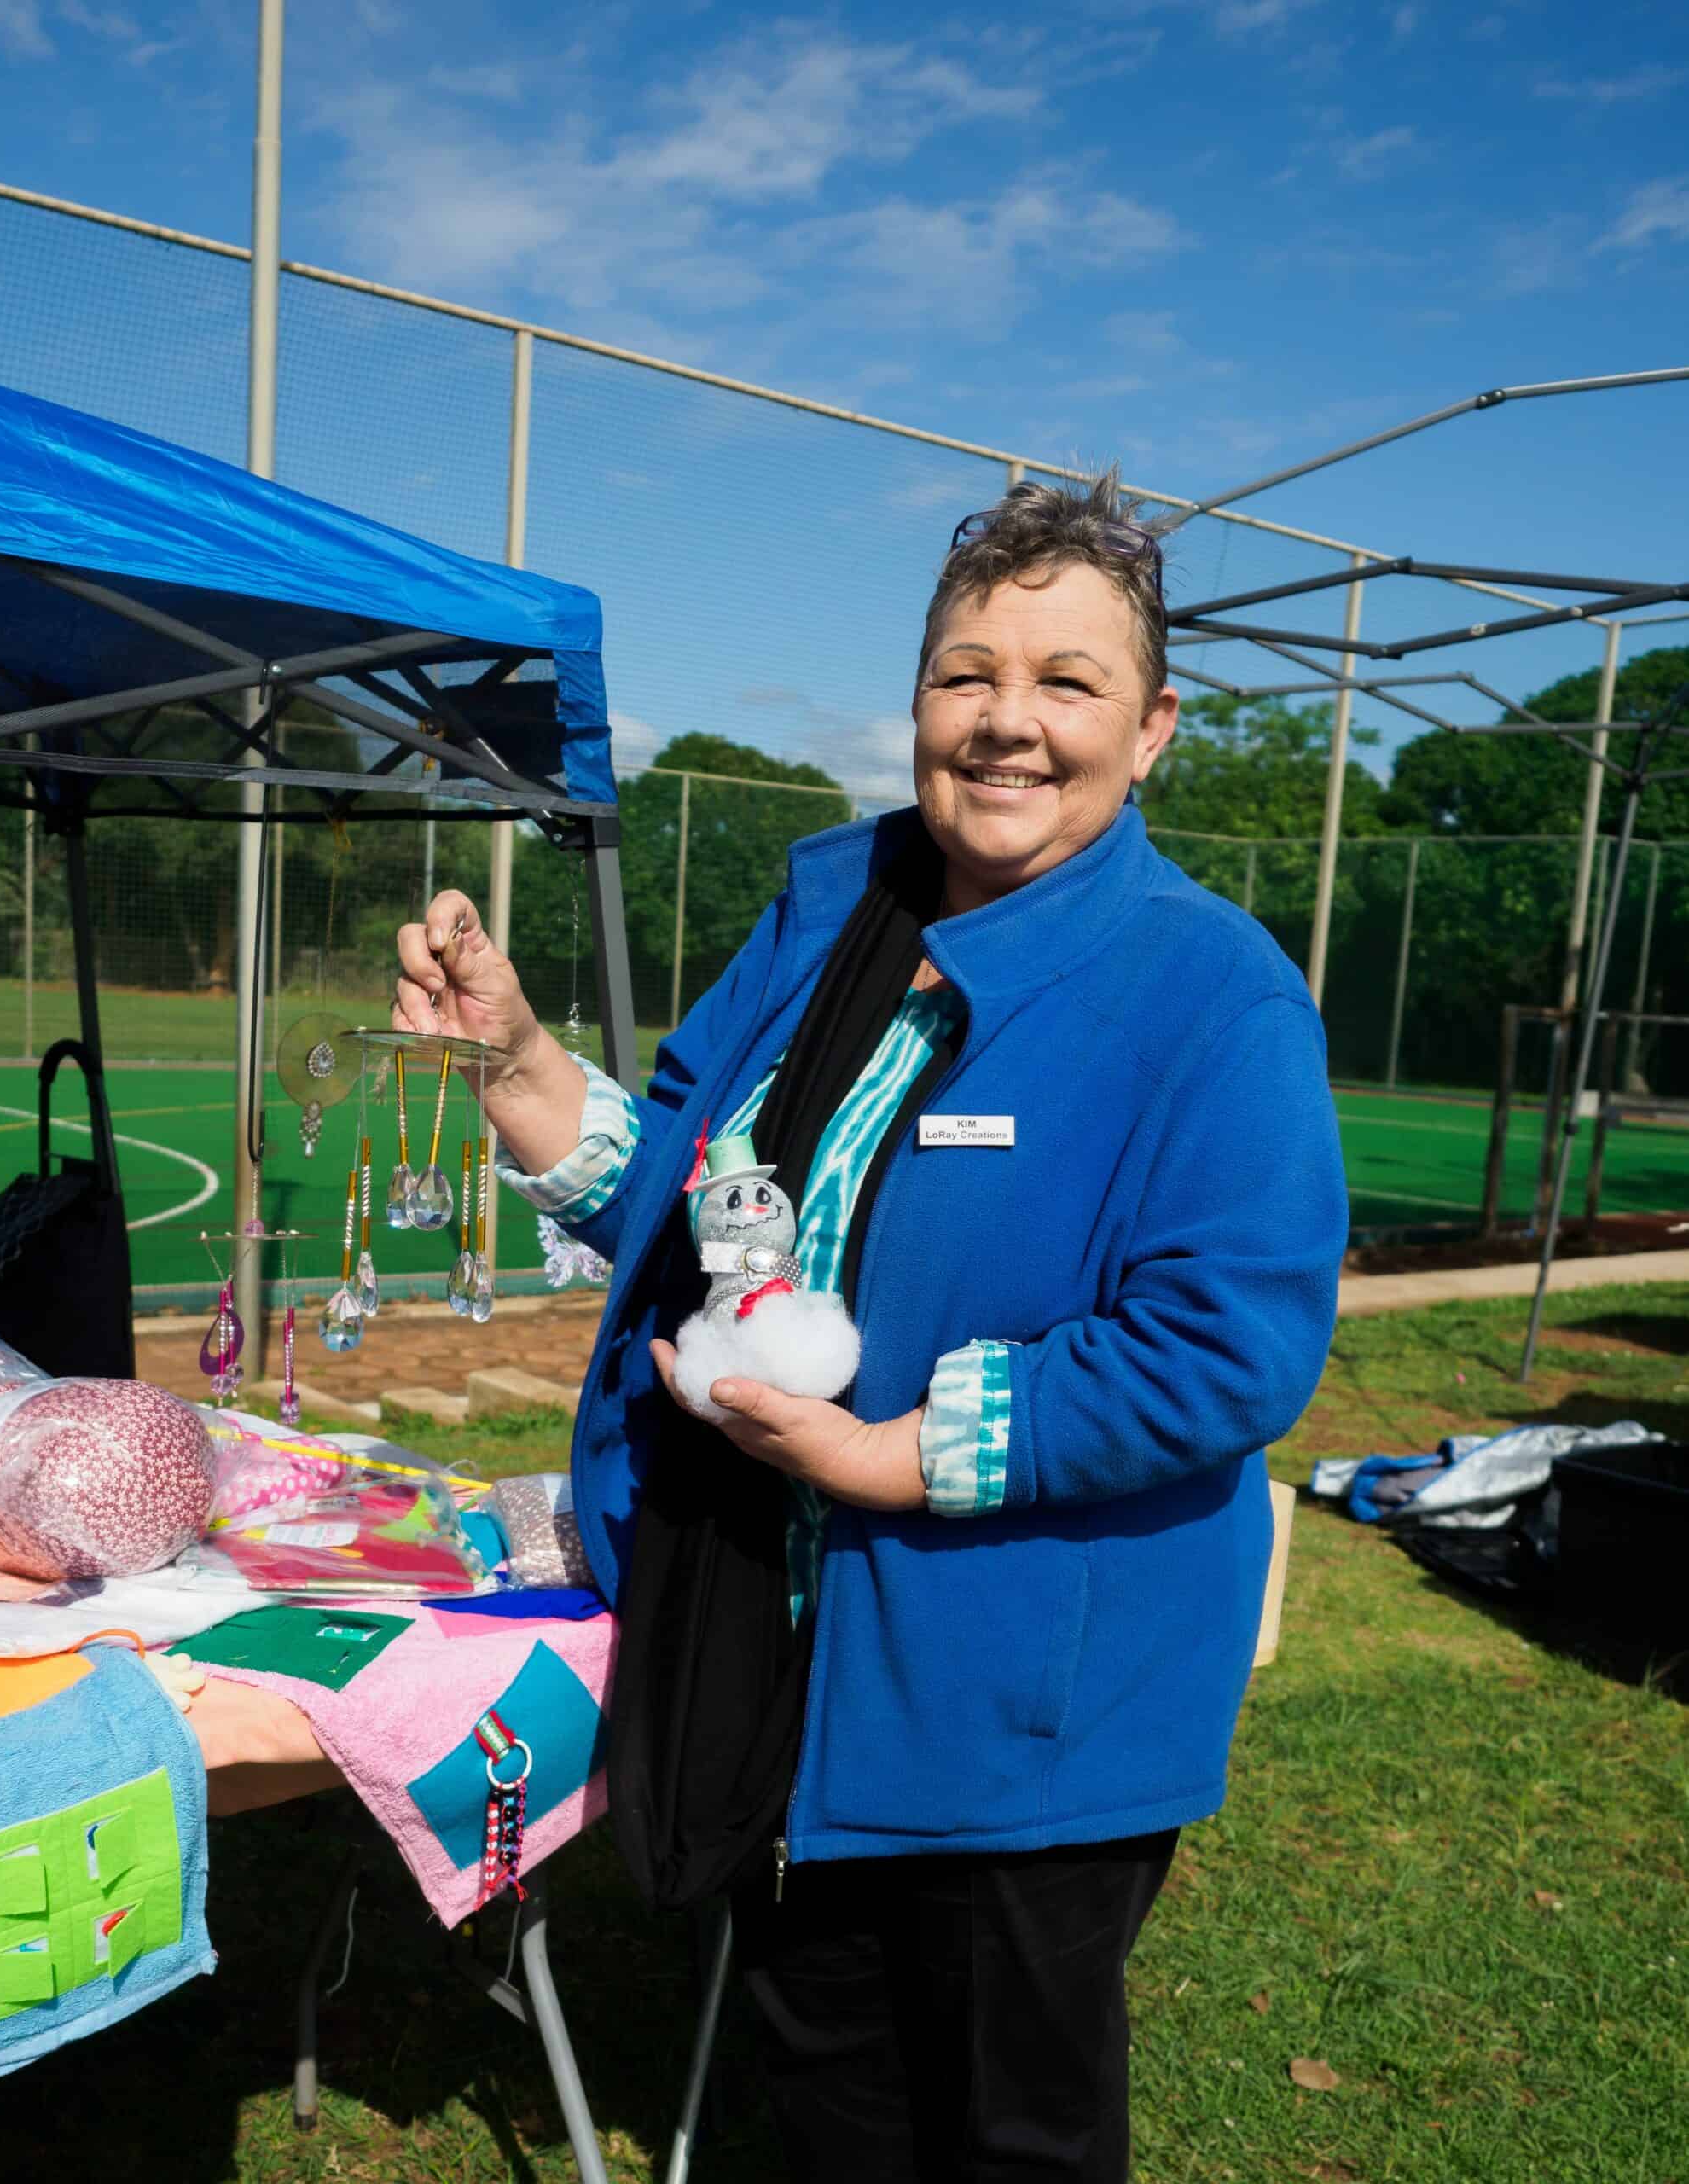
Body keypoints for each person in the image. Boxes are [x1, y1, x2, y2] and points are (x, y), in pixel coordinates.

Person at [392, 473, 1349, 2183]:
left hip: (1017, 1702)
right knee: (826, 2084)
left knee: (1008, 2126)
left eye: (1069, 681)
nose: (1008, 721)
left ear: (1156, 731)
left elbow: (1229, 1340)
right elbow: (705, 1217)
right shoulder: (832, 912)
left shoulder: (1210, 989)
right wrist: (518, 1064)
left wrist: (899, 1454)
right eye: (968, 670)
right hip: (780, 1639)